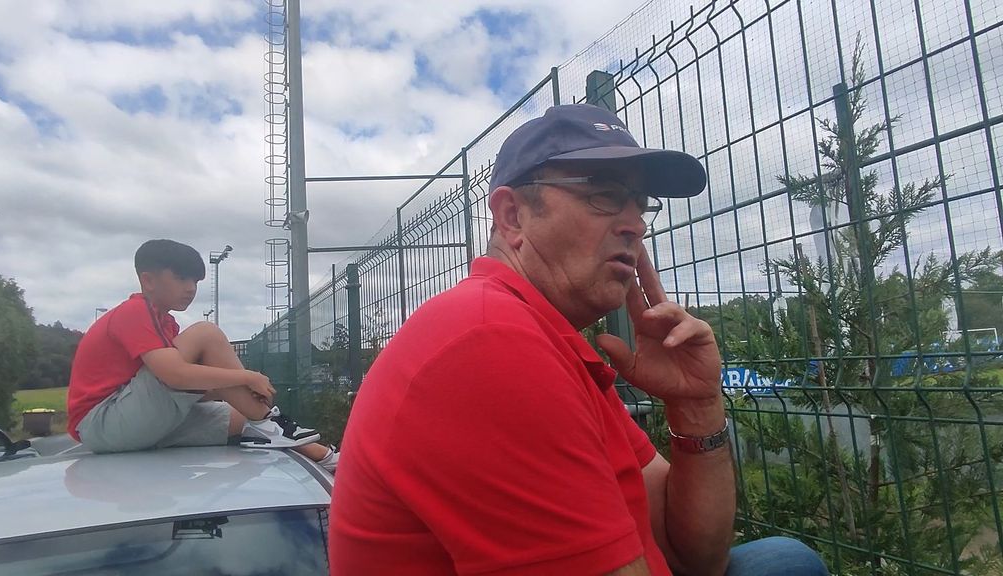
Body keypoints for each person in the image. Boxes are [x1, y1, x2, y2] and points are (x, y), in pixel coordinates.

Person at [329, 104, 826, 575]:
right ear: (513, 216)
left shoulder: (550, 340)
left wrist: (697, 405)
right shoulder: (490, 344)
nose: (634, 226)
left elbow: (695, 556)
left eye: (640, 205)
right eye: (604, 195)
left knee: (783, 559)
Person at [67, 239, 338, 472]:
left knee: (243, 417)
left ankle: (323, 458)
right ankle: (274, 425)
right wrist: (247, 377)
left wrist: (234, 392)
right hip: (103, 421)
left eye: (195, 281)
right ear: (148, 280)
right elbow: (175, 376)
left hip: (128, 423)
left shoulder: (167, 324)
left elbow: (180, 386)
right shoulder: (133, 312)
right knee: (206, 333)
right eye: (181, 278)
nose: (191, 288)